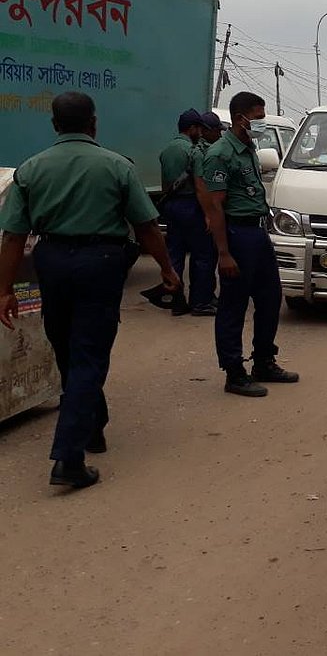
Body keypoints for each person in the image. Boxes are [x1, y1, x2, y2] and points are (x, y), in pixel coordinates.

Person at [0, 92, 179, 489]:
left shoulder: (31, 169)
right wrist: (167, 269)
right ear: (94, 124)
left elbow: (12, 236)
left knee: (67, 347)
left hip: (52, 261)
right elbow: (147, 227)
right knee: (89, 354)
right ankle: (69, 458)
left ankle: (92, 426)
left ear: (54, 125)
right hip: (100, 263)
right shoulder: (117, 167)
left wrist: (4, 290)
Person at [199, 91, 298, 398]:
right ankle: (234, 371)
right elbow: (215, 207)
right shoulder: (220, 153)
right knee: (234, 305)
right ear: (240, 117)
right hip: (237, 235)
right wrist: (224, 253)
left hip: (257, 233)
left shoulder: (248, 148)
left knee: (270, 299)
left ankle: (264, 361)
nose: (260, 123)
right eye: (257, 117)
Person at [159, 109, 217, 316]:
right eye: (199, 128)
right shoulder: (195, 152)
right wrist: (209, 214)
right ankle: (200, 303)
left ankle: (176, 301)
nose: (201, 132)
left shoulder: (167, 150)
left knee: (174, 253)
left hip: (171, 207)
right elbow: (200, 186)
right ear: (192, 128)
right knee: (202, 255)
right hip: (192, 206)